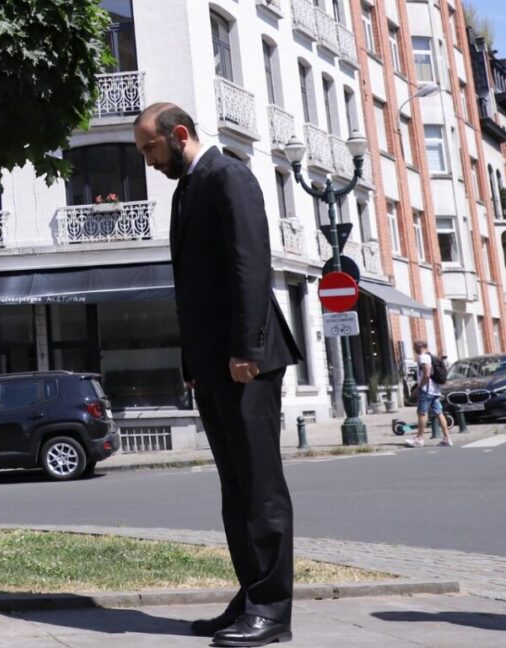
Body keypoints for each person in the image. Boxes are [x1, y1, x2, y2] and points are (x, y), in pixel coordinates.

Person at [135, 103, 301, 648]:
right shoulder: (188, 187)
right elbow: (194, 286)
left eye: (150, 149)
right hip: (213, 366)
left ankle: (273, 610)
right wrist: (193, 363)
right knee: (235, 489)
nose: (147, 160)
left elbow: (250, 265)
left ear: (178, 135)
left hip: (246, 361)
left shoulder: (229, 175)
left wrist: (245, 348)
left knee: (260, 486)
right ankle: (251, 593)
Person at [405, 339, 452, 447]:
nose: (414, 350)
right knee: (439, 413)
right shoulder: (431, 356)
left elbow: (426, 374)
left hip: (427, 390)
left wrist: (420, 387)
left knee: (422, 413)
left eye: (414, 348)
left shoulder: (423, 357)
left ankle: (419, 438)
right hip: (435, 390)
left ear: (418, 347)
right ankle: (447, 438)